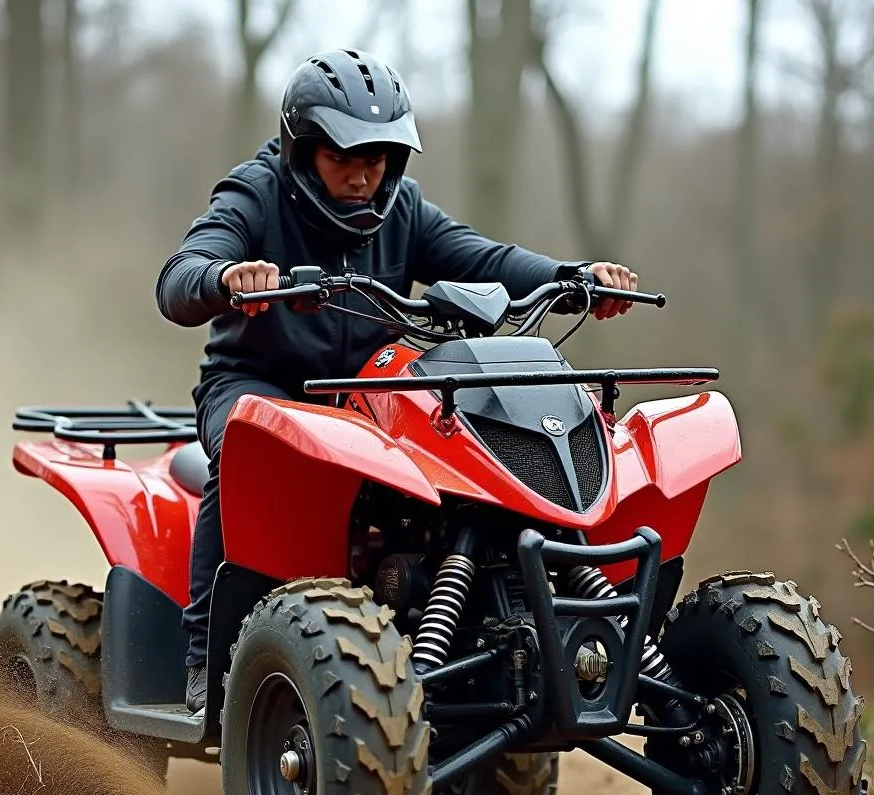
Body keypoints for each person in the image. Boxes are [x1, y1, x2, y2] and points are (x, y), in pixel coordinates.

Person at [156, 48, 639, 715]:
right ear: (302, 152)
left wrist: (573, 277)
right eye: (342, 160)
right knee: (246, 439)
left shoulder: (402, 208)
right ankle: (203, 655)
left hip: (373, 397)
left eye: (374, 161)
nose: (360, 178)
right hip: (259, 385)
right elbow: (180, 277)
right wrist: (225, 277)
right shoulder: (255, 193)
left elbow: (487, 259)